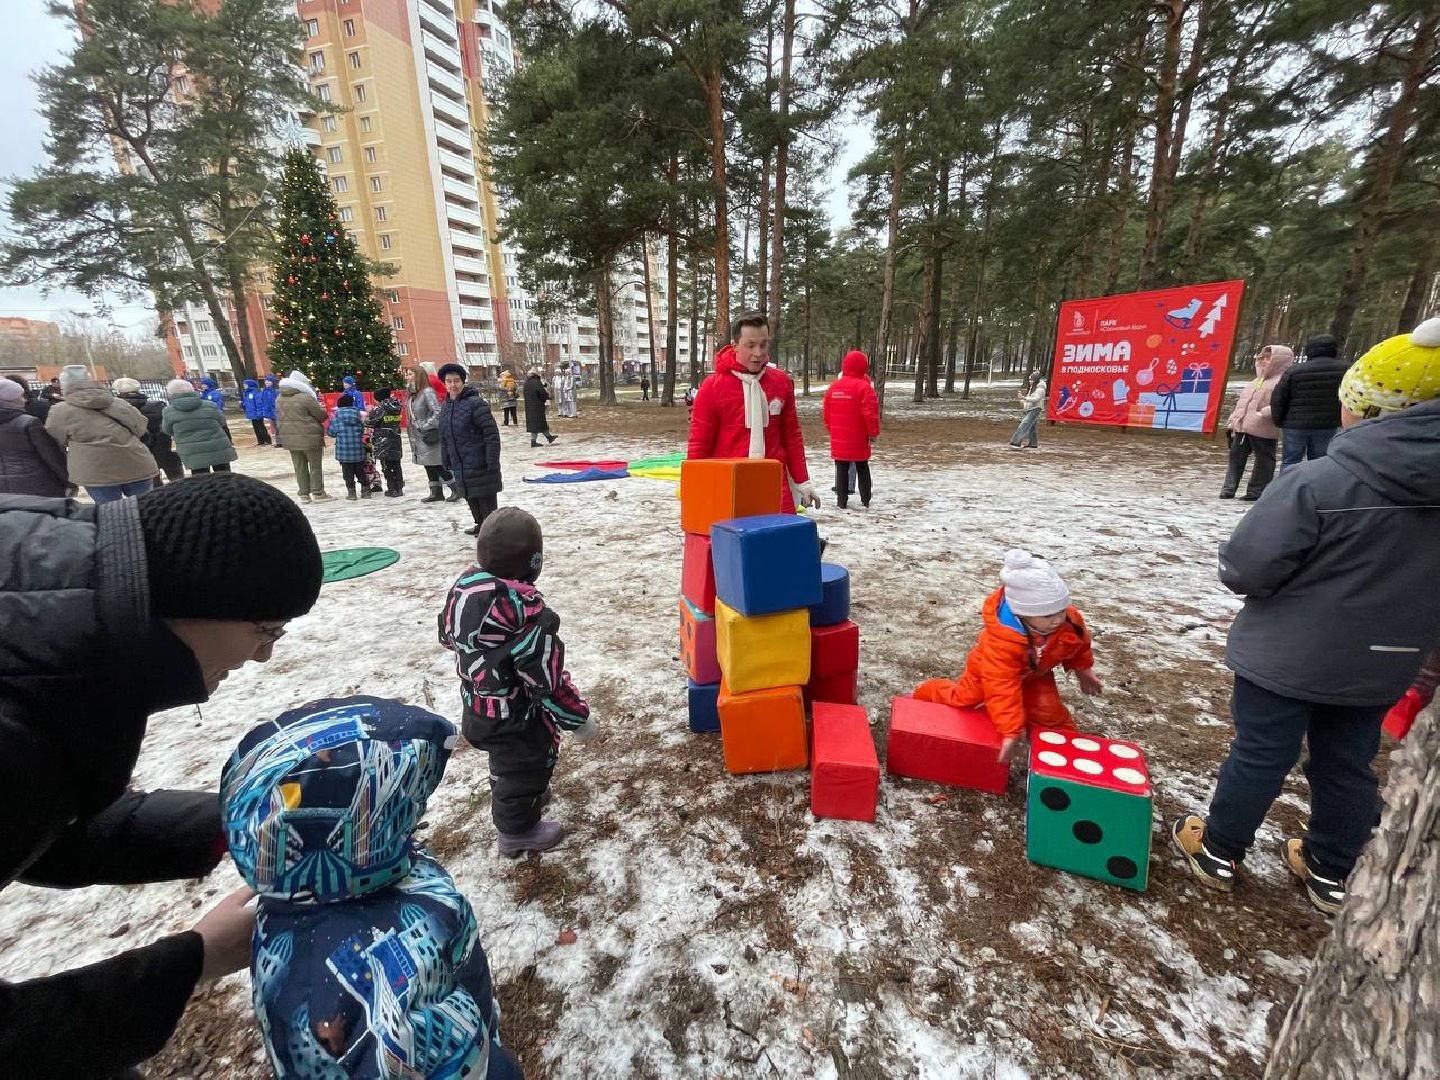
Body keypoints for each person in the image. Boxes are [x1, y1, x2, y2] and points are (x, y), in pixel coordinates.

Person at [0, 473, 325, 1075]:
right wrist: (194, 959)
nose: (265, 656)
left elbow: (44, 830)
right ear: (193, 603)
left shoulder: (62, 624)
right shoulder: (18, 731)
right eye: (263, 630)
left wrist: (237, 822)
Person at [1173, 318, 1440, 915]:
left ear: (1369, 412)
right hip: (1385, 664)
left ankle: (1218, 849)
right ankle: (1331, 868)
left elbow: (1247, 565)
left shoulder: (1319, 481)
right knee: (1348, 759)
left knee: (1262, 751)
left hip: (1287, 656)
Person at [221, 696, 524, 1078]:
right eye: (410, 802)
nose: (417, 811)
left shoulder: (308, 888)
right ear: (366, 825)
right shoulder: (380, 1004)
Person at [438, 508, 595, 856]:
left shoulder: (465, 593)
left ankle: (524, 795)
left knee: (508, 762)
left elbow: (448, 637)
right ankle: (517, 830)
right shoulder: (527, 615)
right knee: (524, 764)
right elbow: (545, 681)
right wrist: (577, 717)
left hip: (477, 703)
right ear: (533, 563)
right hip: (515, 714)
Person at [912, 550, 1103, 763]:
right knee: (961, 699)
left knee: (1051, 717)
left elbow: (1077, 643)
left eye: (1061, 610)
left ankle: (1068, 768)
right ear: (1023, 613)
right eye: (1048, 615)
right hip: (988, 673)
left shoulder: (1068, 618)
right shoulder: (1002, 642)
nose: (1058, 619)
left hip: (1035, 675)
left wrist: (1084, 670)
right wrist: (1011, 731)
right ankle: (925, 692)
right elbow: (1001, 687)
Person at [687, 311, 818, 513]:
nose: (758, 352)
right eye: (750, 345)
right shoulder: (712, 387)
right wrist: (695, 490)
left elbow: (791, 436)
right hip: (730, 486)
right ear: (735, 345)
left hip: (775, 484)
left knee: (781, 542)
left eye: (763, 345)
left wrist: (803, 481)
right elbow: (699, 444)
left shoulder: (781, 382)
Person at [43, 364, 158, 503]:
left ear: (64, 386)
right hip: (136, 462)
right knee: (147, 507)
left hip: (94, 471)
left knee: (110, 512)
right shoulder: (117, 403)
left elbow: (54, 439)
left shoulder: (60, 411)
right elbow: (140, 427)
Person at [1220, 344, 1294, 500]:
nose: (1264, 361)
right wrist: (1233, 420)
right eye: (1262, 358)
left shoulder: (1282, 381)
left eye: (1269, 358)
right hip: (1242, 426)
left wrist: (1264, 413)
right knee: (1235, 457)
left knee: (1264, 461)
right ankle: (1229, 488)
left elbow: (1283, 403)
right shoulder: (1255, 381)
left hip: (1264, 428)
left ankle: (1256, 491)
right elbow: (1243, 402)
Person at [438, 362, 503, 536]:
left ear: (463, 382)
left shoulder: (476, 404)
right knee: (469, 495)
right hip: (460, 462)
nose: (453, 385)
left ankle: (491, 530)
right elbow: (444, 436)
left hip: (480, 461)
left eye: (457, 381)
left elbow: (491, 434)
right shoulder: (445, 407)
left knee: (485, 497)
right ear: (445, 383)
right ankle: (480, 524)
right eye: (449, 381)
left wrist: (491, 459)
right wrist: (446, 457)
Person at [1269, 333, 1349, 467]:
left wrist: (1279, 421)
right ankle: (1315, 488)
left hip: (1294, 425)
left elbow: (1279, 398)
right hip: (1327, 425)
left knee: (1290, 462)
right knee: (1320, 463)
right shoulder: (1347, 370)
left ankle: (1287, 487)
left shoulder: (1294, 371)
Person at [822, 349, 881, 509]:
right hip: (859, 437)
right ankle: (866, 498)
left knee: (841, 467)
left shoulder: (834, 387)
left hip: (839, 436)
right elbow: (870, 414)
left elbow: (827, 412)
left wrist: (832, 429)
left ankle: (841, 501)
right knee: (862, 466)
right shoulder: (865, 387)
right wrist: (873, 433)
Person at [0, 377, 67, 496]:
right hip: (37, 483)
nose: (24, 400)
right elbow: (51, 455)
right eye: (19, 396)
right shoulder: (29, 423)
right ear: (10, 400)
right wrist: (67, 480)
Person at [274, 369, 333, 503]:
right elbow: (321, 416)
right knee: (315, 466)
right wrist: (323, 409)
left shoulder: (279, 398)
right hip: (310, 437)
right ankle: (318, 493)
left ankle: (304, 494)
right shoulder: (306, 398)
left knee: (299, 467)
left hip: (289, 438)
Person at [114, 377, 183, 485]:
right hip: (165, 450)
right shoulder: (158, 406)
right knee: (178, 481)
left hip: (140, 453)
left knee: (153, 486)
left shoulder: (116, 412)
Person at [163, 377, 238, 476]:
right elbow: (222, 422)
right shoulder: (210, 405)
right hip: (217, 447)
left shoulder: (168, 411)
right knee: (225, 479)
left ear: (171, 394)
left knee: (201, 481)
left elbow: (167, 430)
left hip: (192, 450)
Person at [406, 365, 455, 503]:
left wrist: (425, 426)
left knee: (436, 464)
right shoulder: (412, 394)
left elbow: (438, 412)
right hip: (418, 436)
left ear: (418, 375)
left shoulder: (427, 392)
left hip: (429, 435)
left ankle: (456, 488)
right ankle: (436, 492)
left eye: (410, 374)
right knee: (428, 465)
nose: (407, 377)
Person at [366, 386, 406, 497]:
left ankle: (392, 488)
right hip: (396, 439)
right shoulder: (396, 406)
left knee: (387, 466)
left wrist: (369, 412)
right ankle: (399, 488)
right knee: (397, 464)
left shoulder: (379, 408)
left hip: (383, 442)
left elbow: (369, 422)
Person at [328, 391, 369, 499]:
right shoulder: (358, 416)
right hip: (358, 449)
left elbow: (331, 433)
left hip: (344, 451)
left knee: (348, 473)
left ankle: (352, 493)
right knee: (361, 471)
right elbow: (361, 431)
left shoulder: (336, 418)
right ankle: (365, 490)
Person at [1009, 373, 1048, 449]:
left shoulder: (1040, 389)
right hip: (1031, 408)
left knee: (1024, 424)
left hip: (1035, 408)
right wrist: (1023, 401)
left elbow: (1036, 399)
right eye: (1029, 379)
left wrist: (1024, 398)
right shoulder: (1033, 387)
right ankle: (1033, 443)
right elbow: (1030, 398)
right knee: (1031, 427)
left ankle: (1015, 441)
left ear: (1035, 380)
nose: (1030, 381)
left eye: (1031, 380)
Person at [525, 367, 558, 447]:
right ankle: (534, 441)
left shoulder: (526, 383)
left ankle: (549, 437)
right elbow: (542, 392)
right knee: (538, 423)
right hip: (537, 406)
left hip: (529, 406)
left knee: (537, 424)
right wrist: (547, 397)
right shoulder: (536, 382)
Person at [241, 378, 271, 446]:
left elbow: (259, 404)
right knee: (256, 428)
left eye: (245, 384)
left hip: (257, 414)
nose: (244, 386)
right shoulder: (247, 393)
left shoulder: (256, 392)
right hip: (252, 414)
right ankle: (260, 441)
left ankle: (267, 440)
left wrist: (259, 413)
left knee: (261, 427)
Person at [259, 373, 281, 446]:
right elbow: (263, 401)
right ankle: (278, 441)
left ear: (273, 382)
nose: (267, 382)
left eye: (269, 381)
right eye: (266, 381)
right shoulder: (265, 391)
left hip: (276, 411)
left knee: (278, 427)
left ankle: (280, 442)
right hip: (270, 412)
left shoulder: (276, 391)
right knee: (274, 427)